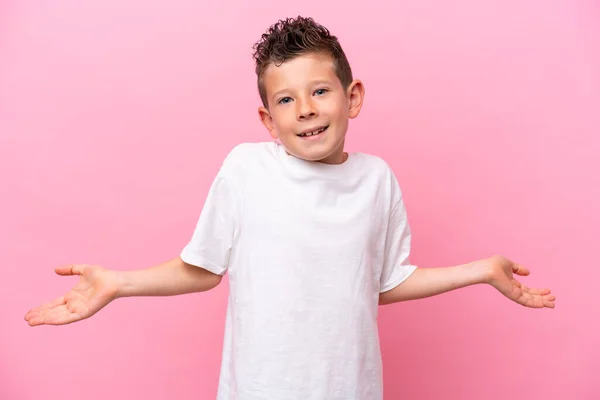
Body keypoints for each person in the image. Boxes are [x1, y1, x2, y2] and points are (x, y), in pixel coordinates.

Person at [24, 16, 555, 400]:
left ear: (353, 97)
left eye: (320, 90)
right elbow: (203, 267)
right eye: (285, 99)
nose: (305, 110)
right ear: (267, 119)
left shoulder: (377, 180)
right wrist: (118, 282)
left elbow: (380, 281)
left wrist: (481, 270)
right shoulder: (245, 169)